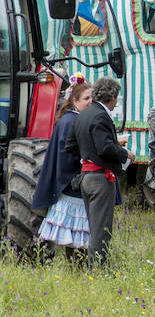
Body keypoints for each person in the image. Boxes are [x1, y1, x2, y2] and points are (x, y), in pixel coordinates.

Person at [72, 77, 130, 266]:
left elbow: (70, 145)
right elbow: (105, 148)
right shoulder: (100, 116)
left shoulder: (83, 114)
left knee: (94, 227)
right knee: (101, 230)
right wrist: (125, 153)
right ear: (112, 96)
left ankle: (94, 267)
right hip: (100, 179)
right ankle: (97, 270)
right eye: (117, 97)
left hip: (86, 175)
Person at [34, 81, 93, 258]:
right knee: (73, 230)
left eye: (92, 98)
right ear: (75, 101)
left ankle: (75, 264)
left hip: (71, 181)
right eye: (86, 98)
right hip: (71, 184)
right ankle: (75, 265)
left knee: (73, 231)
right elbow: (68, 154)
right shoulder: (70, 122)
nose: (91, 101)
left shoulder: (74, 119)